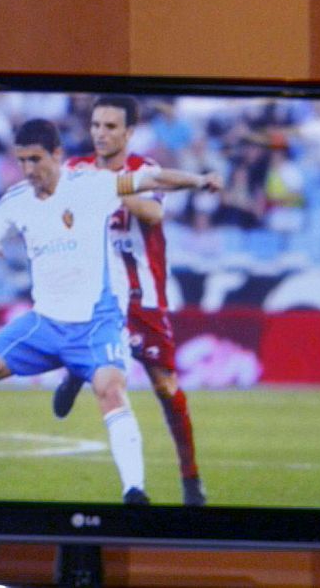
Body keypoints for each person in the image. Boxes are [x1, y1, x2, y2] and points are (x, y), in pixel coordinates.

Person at [0, 118, 220, 504]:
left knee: (110, 389)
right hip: (45, 324)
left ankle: (134, 492)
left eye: (35, 159)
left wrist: (199, 179)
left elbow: (152, 180)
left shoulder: (92, 185)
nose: (27, 170)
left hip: (96, 323)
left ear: (57, 154)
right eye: (21, 161)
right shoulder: (15, 201)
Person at [55, 96, 209, 506]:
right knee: (111, 381)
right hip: (95, 296)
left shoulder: (145, 172)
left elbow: (153, 215)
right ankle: (79, 368)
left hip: (143, 297)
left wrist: (112, 190)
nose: (100, 134)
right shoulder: (74, 169)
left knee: (165, 386)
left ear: (128, 133)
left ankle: (190, 476)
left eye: (110, 127)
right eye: (96, 126)